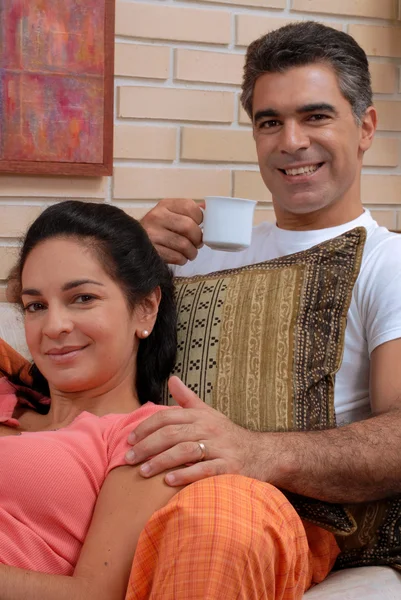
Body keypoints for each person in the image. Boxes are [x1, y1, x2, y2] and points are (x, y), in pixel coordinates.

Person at [122, 20, 401, 596]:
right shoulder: (197, 252)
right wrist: (125, 258)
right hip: (142, 487)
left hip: (273, 516)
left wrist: (254, 452)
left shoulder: (387, 262)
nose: (291, 141)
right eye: (270, 122)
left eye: (316, 116)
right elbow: (57, 322)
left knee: (214, 523)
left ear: (366, 126)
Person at [0, 200, 186, 599]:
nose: (54, 326)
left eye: (82, 298)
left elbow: (97, 595)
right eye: (36, 306)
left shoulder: (146, 437)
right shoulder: (10, 398)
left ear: (145, 310)